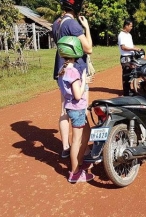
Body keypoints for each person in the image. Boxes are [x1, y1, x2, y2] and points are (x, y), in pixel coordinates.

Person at [52, 0, 93, 158]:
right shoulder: (73, 24)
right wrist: (87, 28)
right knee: (80, 108)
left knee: (64, 110)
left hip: (61, 70)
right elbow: (88, 48)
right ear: (75, 5)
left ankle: (65, 147)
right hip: (76, 72)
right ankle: (81, 148)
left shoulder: (57, 23)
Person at [56, 36, 94, 183]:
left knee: (85, 133)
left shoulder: (63, 69)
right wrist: (84, 80)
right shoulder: (73, 72)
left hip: (71, 108)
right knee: (76, 141)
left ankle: (78, 163)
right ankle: (75, 172)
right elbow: (78, 95)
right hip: (77, 109)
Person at [118, 18, 141, 96]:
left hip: (131, 57)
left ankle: (129, 90)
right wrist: (134, 49)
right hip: (125, 58)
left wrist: (137, 48)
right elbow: (123, 47)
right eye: (130, 26)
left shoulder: (129, 35)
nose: (131, 28)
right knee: (126, 75)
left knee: (131, 74)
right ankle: (126, 93)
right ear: (126, 26)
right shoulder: (121, 35)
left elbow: (131, 45)